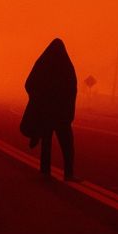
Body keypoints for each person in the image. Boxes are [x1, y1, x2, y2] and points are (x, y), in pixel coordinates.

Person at [20, 38, 77, 179]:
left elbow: (29, 84)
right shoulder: (66, 66)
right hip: (60, 114)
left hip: (47, 113)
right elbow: (72, 91)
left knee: (48, 141)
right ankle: (68, 174)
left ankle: (45, 171)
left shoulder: (42, 64)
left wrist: (38, 100)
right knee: (67, 145)